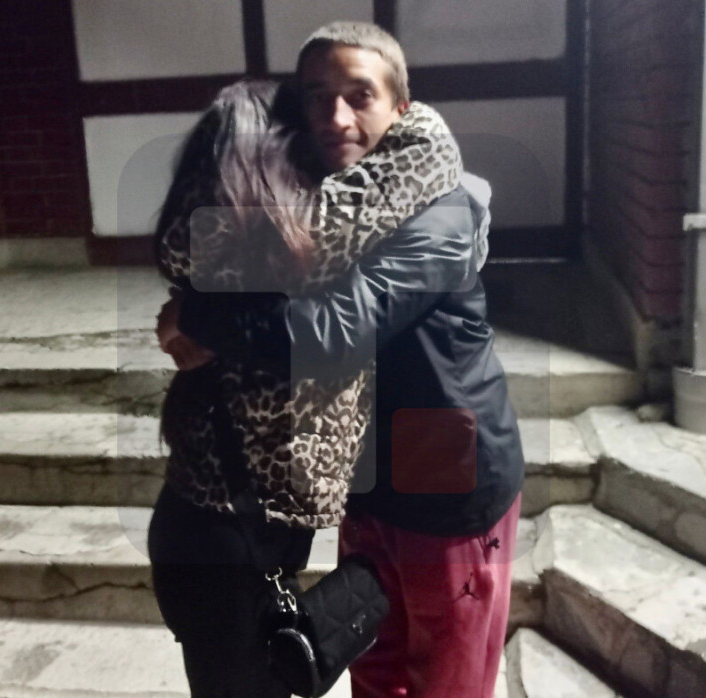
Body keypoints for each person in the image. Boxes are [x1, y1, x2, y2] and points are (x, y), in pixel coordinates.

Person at [159, 21, 525, 698]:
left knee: (446, 679)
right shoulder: (322, 208)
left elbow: (336, 332)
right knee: (375, 672)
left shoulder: (442, 212)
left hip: (448, 488)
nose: (335, 116)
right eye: (316, 96)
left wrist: (199, 314)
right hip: (369, 482)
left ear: (400, 108)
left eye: (360, 95)